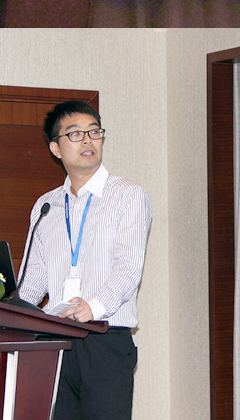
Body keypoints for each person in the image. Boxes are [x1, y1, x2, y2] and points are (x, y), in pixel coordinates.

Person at [17, 100, 152, 419]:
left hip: (105, 340)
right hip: (55, 341)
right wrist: (8, 314)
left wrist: (94, 307)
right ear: (55, 148)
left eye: (94, 131)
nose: (88, 140)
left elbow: (129, 266)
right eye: (75, 134)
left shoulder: (128, 195)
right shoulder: (46, 206)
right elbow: (33, 278)